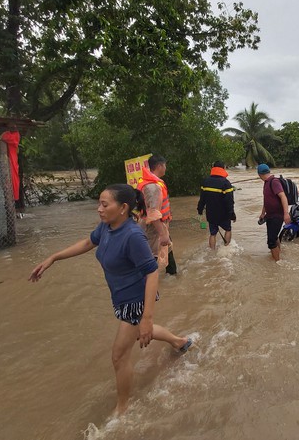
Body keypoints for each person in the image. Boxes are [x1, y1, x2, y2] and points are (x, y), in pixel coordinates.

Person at [29, 184, 191, 415]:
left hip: (135, 299)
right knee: (141, 331)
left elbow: (152, 272)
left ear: (123, 208)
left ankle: (123, 409)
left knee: (119, 356)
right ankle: (179, 342)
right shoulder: (106, 227)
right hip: (121, 296)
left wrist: (146, 316)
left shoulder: (133, 235)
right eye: (99, 203)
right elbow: (87, 243)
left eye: (105, 204)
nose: (99, 209)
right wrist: (54, 257)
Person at [137, 155, 177, 275]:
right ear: (160, 166)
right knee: (152, 256)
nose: (165, 168)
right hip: (154, 228)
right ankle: (149, 284)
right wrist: (163, 234)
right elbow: (153, 214)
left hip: (160, 225)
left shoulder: (148, 182)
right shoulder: (153, 187)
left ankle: (172, 276)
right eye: (165, 165)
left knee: (168, 249)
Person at [197, 160, 236, 248]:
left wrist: (200, 210)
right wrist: (232, 214)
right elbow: (229, 201)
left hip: (211, 214)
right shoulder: (226, 183)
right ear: (223, 168)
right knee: (228, 230)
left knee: (213, 233)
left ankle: (212, 252)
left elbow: (202, 199)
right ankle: (226, 248)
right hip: (224, 214)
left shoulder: (205, 182)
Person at [257, 164, 291, 261]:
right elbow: (266, 199)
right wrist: (263, 213)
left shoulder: (274, 182)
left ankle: (277, 262)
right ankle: (278, 254)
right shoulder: (266, 183)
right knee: (274, 236)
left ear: (260, 174)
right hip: (270, 215)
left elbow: (283, 196)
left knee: (271, 242)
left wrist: (286, 213)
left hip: (277, 215)